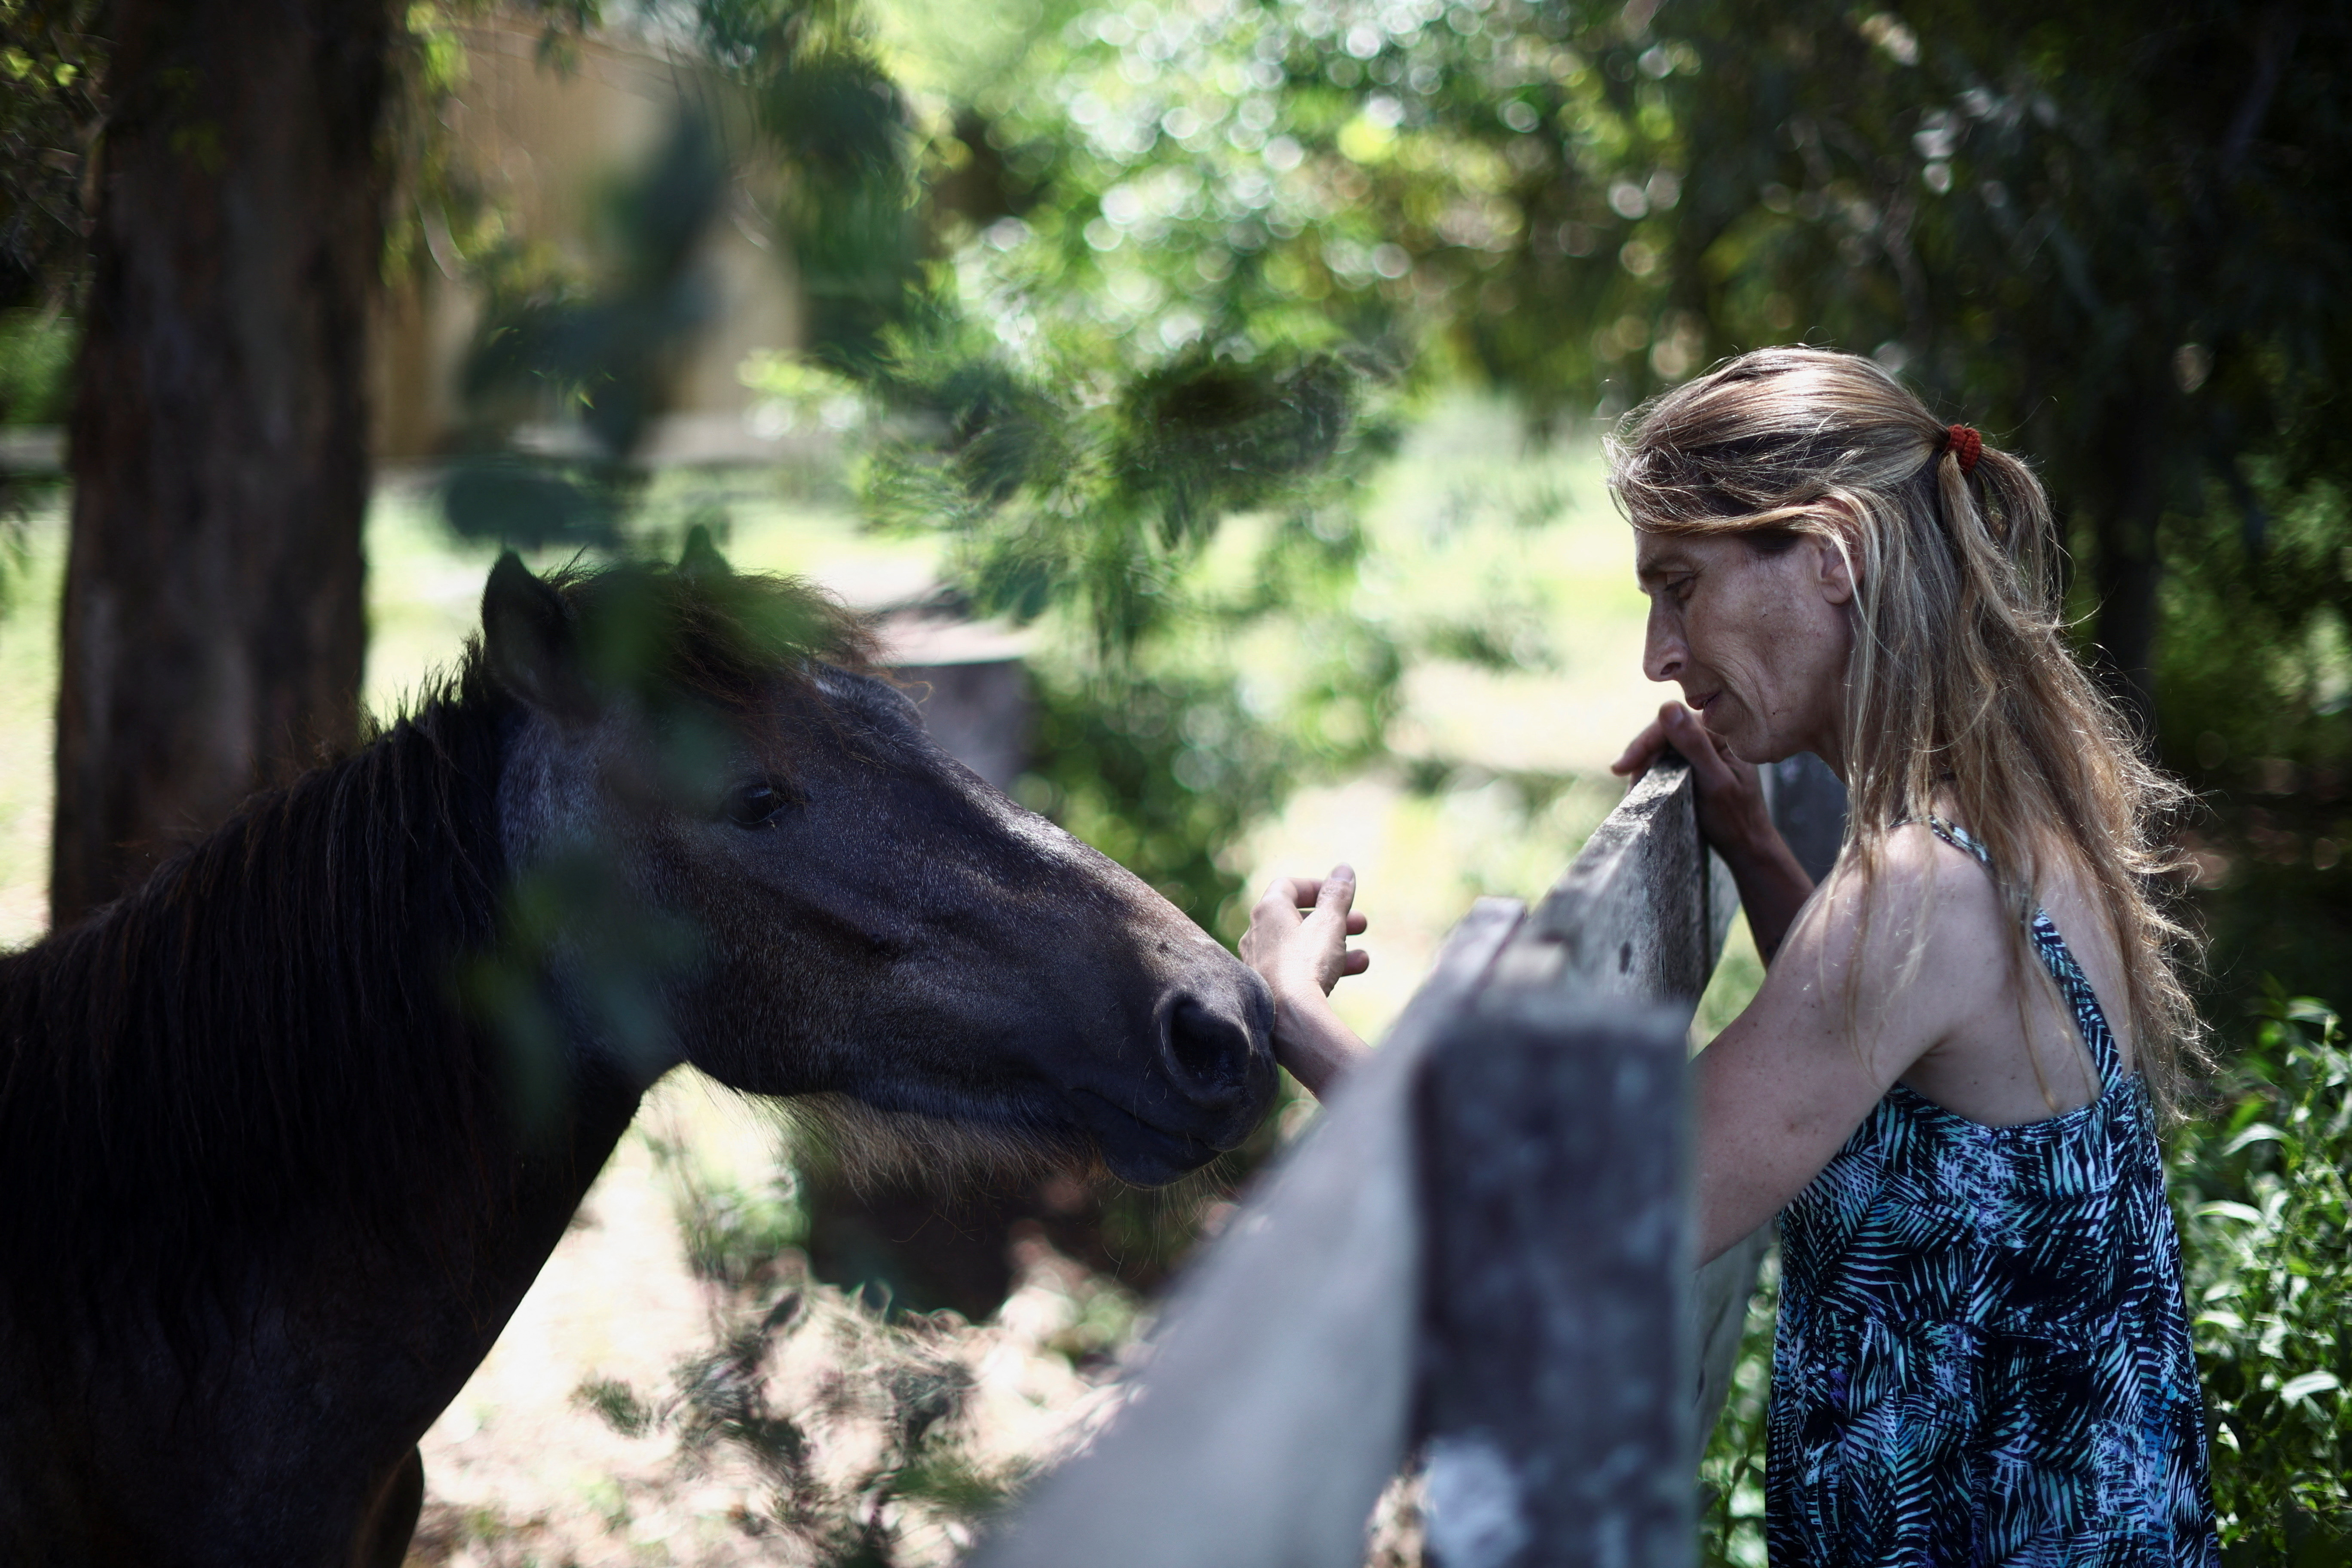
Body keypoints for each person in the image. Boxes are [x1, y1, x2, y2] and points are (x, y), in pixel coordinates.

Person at [1241, 347, 2219, 1563]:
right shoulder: (2010, 825)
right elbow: (1880, 1084)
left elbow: (1572, 1230)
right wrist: (1757, 850)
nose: (1659, 652)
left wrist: (1284, 1004)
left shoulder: (1918, 892)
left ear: (1832, 560)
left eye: (1680, 587)